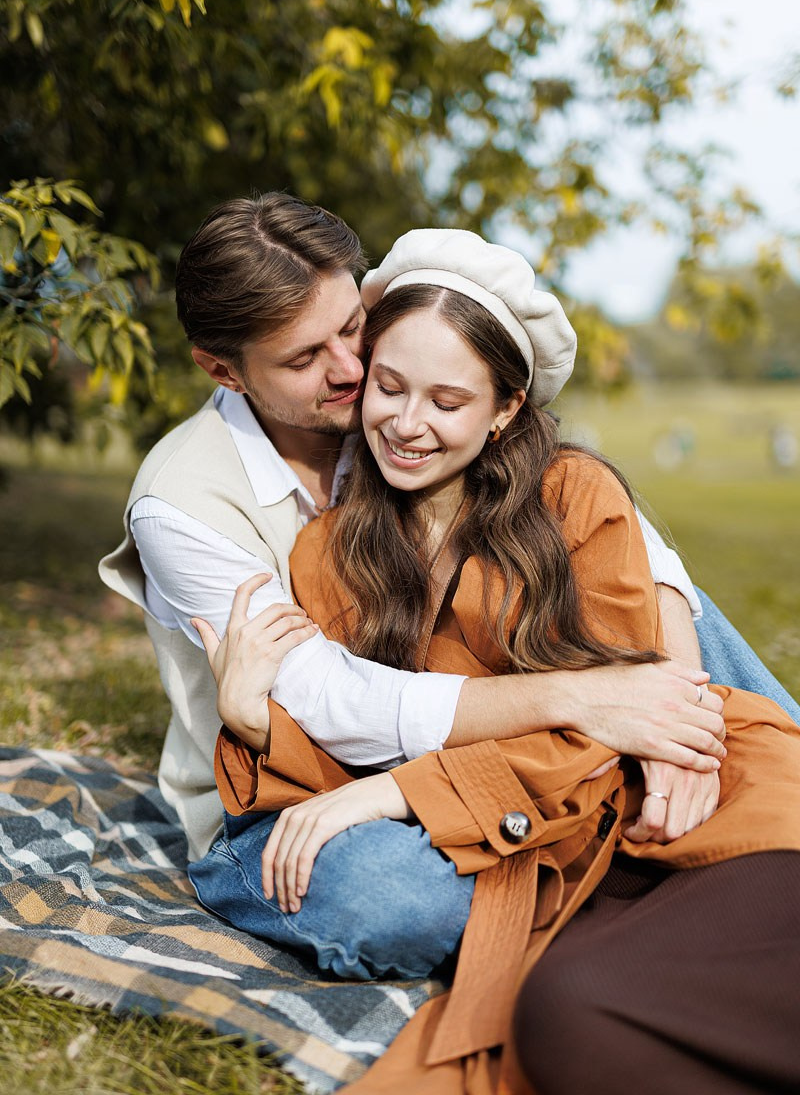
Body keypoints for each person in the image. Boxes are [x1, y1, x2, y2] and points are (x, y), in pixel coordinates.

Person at [195, 228, 800, 1095]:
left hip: (666, 813)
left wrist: (399, 791)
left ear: (505, 409)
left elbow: (623, 717)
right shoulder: (327, 555)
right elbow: (335, 763)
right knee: (565, 1018)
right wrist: (253, 721)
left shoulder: (575, 495)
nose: (407, 424)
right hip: (532, 858)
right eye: (389, 388)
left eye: (448, 401)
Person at [98, 193, 796, 866]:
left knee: (671, 615)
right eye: (304, 358)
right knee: (397, 890)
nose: (350, 368)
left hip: (450, 737)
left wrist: (679, 721)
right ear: (224, 370)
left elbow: (612, 528)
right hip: (281, 782)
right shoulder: (181, 505)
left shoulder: (386, 404)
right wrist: (581, 699)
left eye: (352, 326)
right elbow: (326, 700)